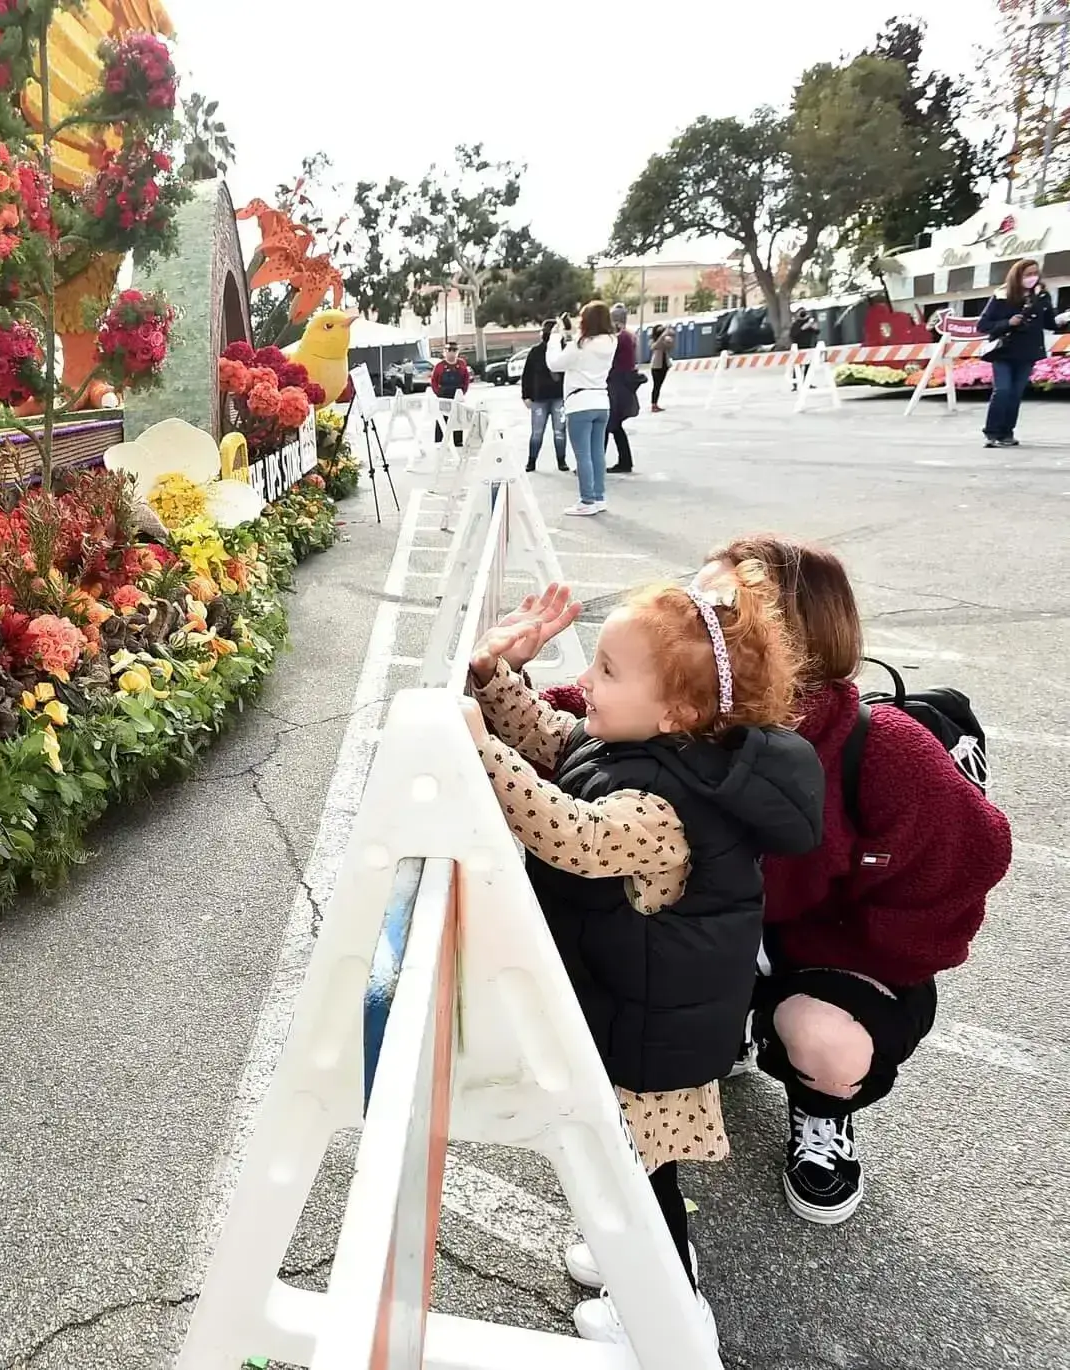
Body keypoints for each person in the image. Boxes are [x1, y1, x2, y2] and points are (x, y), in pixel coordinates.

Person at [504, 538, 1011, 1229]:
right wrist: (502, 673)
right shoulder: (692, 713)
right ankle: (727, 1033)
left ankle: (819, 1104)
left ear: (785, 642)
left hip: (818, 948)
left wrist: (833, 956)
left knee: (822, 1039)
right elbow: (580, 713)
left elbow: (970, 857)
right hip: (710, 939)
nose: (692, 617)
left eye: (717, 605)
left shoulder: (886, 748)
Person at [466, 563, 823, 1351]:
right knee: (627, 1167)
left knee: (637, 1174)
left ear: (677, 711)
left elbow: (573, 835)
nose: (584, 682)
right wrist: (495, 682)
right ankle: (637, 1260)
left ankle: (666, 1321)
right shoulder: (663, 754)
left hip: (647, 1038)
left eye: (606, 671)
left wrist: (477, 757)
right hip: (640, 1007)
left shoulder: (659, 808)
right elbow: (557, 748)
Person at [979, 256, 1064, 448]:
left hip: (1028, 351)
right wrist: (1008, 323)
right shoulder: (1002, 295)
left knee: (1015, 393)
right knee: (1002, 390)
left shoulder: (1042, 295)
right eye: (1028, 274)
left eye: (1035, 273)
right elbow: (983, 325)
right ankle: (992, 432)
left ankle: (1007, 432)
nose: (1032, 278)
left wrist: (1063, 317)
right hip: (1004, 350)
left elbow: (1049, 322)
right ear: (1018, 276)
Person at [543, 304, 616, 516]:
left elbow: (555, 364)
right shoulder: (611, 341)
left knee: (582, 455)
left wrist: (555, 338)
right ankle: (599, 497)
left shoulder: (581, 344)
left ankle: (586, 500)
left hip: (580, 403)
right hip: (602, 400)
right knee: (597, 454)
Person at [521, 319, 569, 474]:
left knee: (559, 431)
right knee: (538, 431)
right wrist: (526, 395)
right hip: (540, 397)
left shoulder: (564, 351)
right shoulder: (536, 352)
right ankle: (531, 460)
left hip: (557, 396)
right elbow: (527, 375)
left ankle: (561, 460)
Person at [606, 304, 641, 474]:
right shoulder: (629, 336)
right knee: (614, 426)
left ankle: (597, 462)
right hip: (622, 384)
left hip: (617, 385)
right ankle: (625, 461)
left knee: (608, 425)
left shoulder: (621, 338)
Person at [431, 341, 473, 446]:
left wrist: (463, 392)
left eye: (454, 350)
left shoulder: (462, 364)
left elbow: (466, 379)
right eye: (449, 350)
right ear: (444, 352)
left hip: (457, 395)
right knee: (442, 418)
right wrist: (438, 393)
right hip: (444, 396)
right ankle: (440, 442)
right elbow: (433, 381)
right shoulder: (439, 366)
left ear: (457, 352)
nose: (451, 353)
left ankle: (458, 442)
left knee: (459, 418)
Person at [649, 325, 675, 411]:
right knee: (656, 386)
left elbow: (671, 347)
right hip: (656, 366)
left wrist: (670, 337)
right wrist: (663, 336)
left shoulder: (664, 339)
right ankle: (653, 404)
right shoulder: (652, 340)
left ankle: (655, 404)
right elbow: (655, 346)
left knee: (659, 386)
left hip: (664, 365)